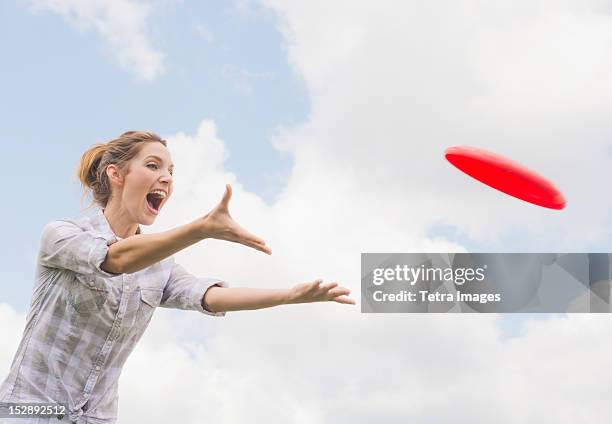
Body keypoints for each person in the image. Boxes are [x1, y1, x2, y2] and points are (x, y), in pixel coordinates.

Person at [0, 131, 355, 423]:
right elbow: (114, 259)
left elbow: (209, 297)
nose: (166, 178)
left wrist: (288, 296)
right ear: (116, 173)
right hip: (31, 408)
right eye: (153, 166)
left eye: (171, 171)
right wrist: (200, 229)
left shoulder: (159, 267)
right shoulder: (61, 235)